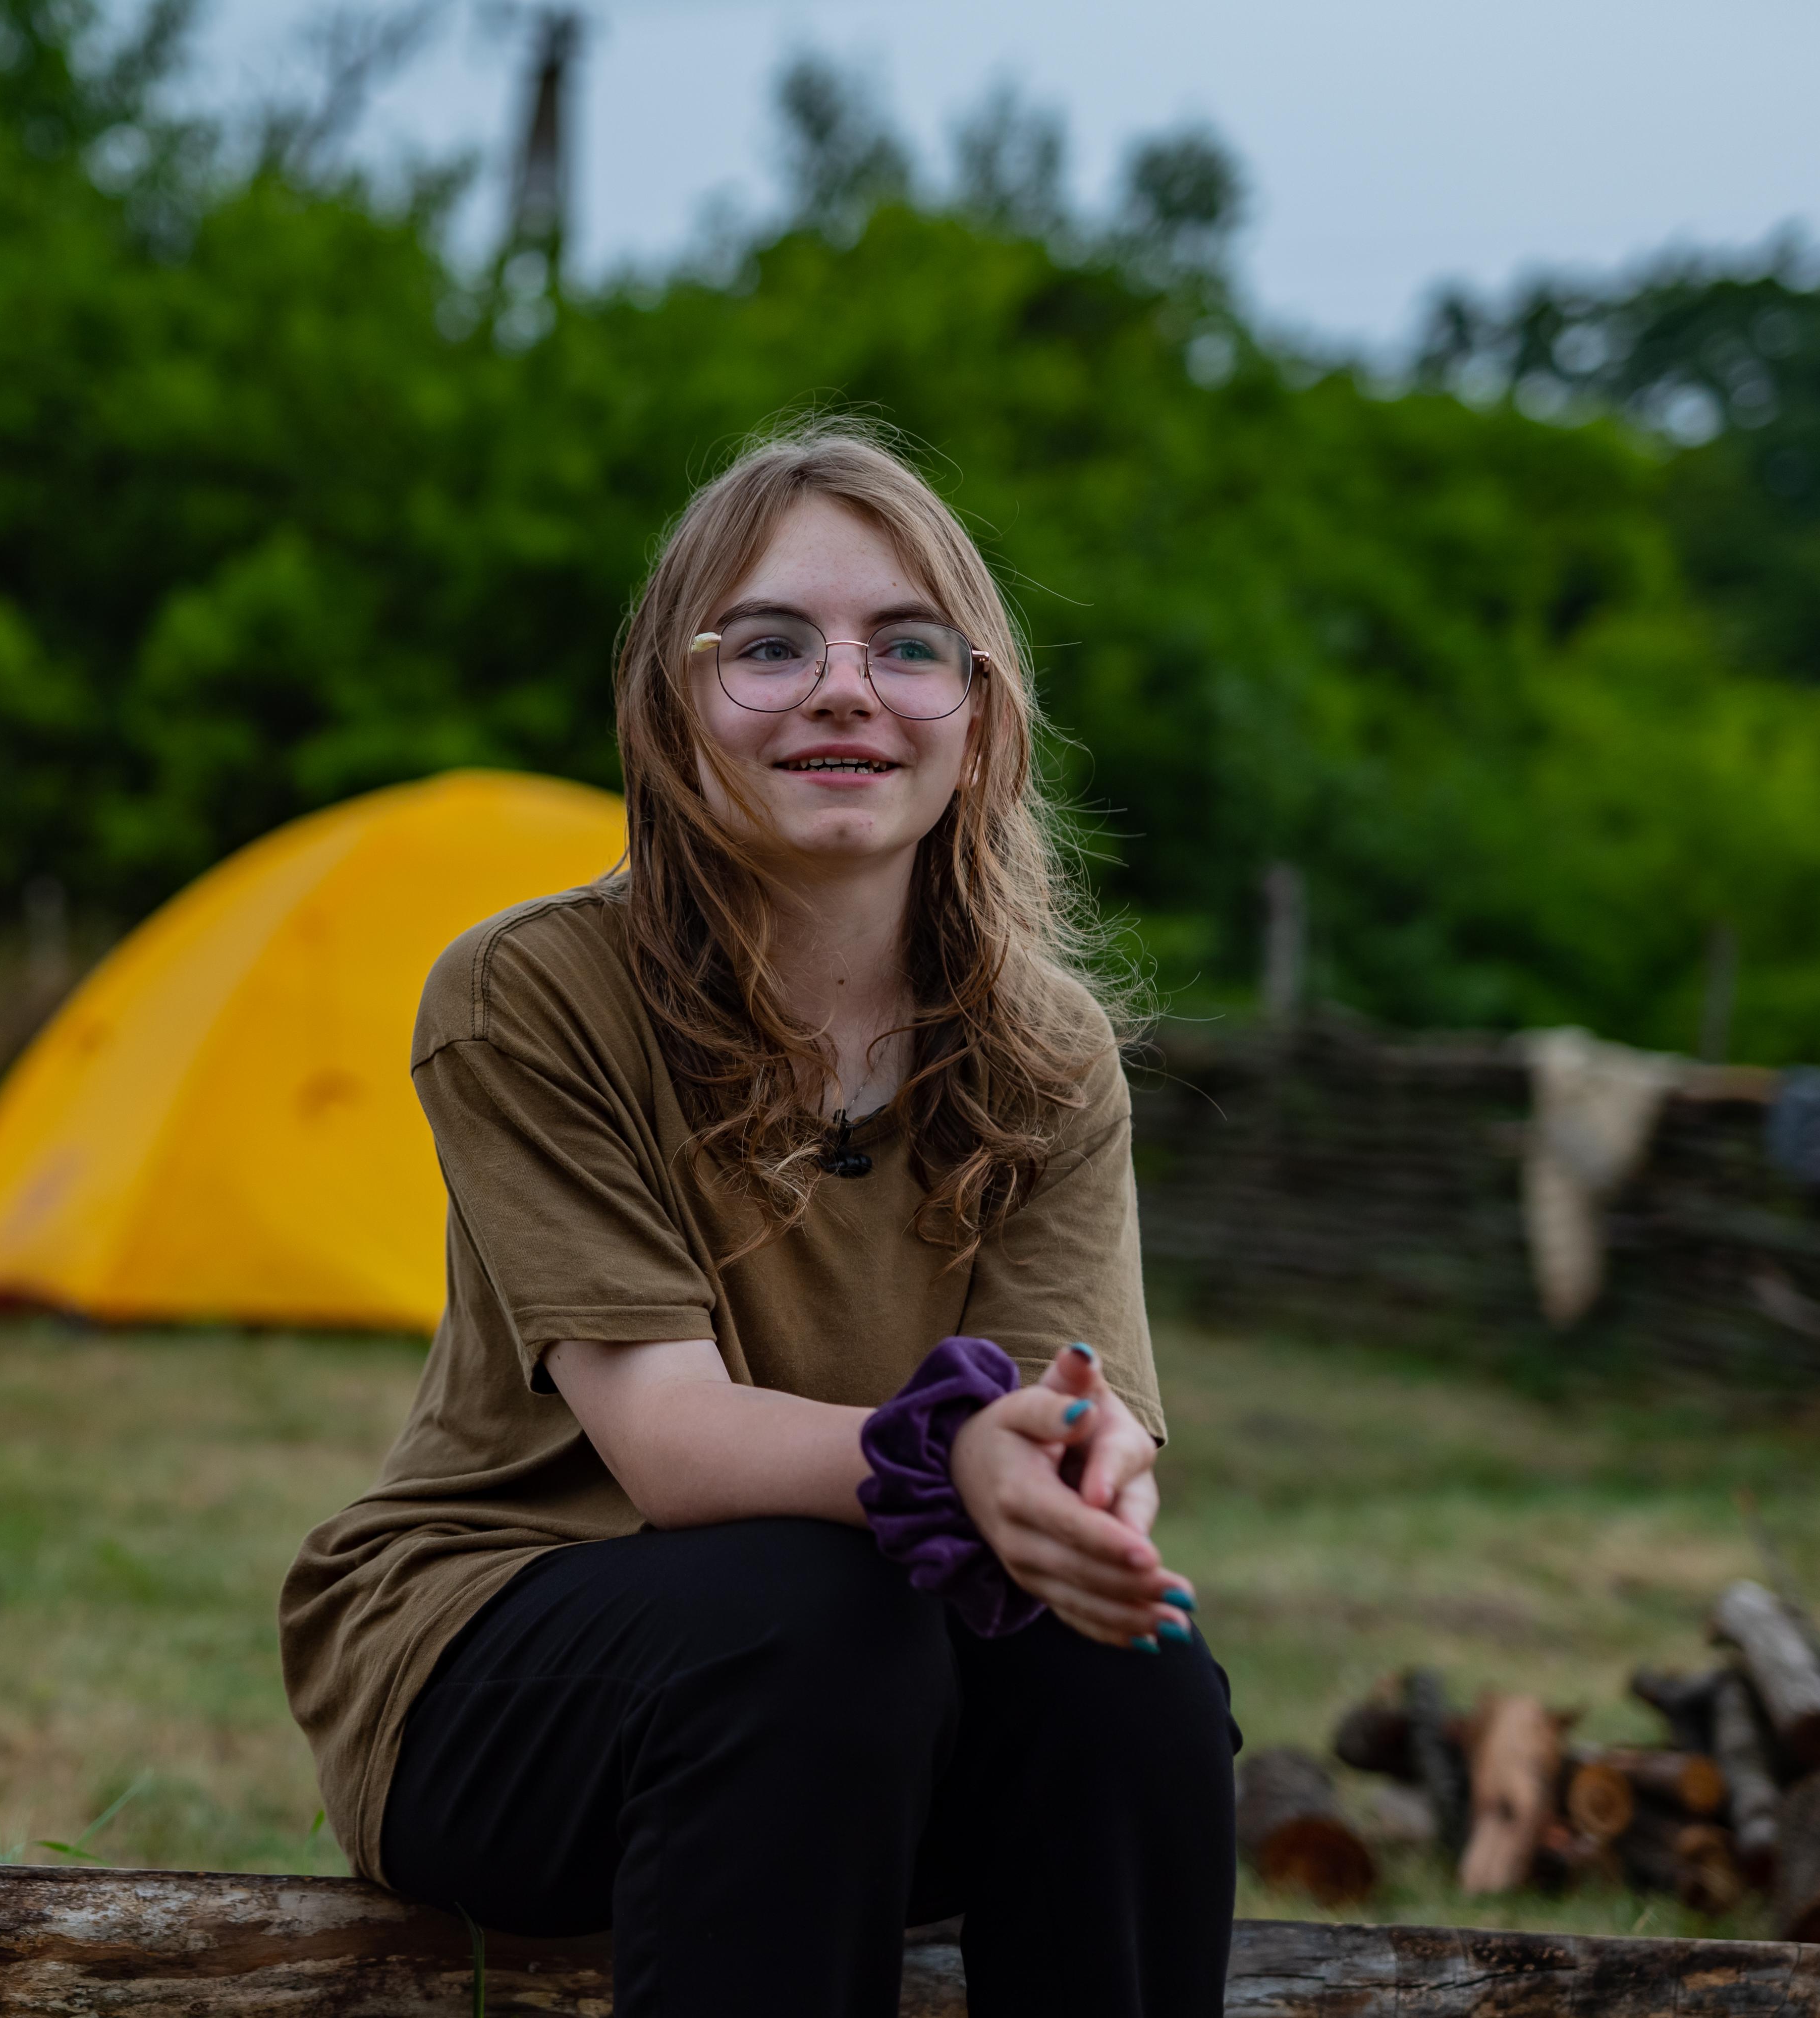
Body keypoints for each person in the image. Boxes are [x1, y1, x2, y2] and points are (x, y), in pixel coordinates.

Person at [279, 422, 1239, 2017]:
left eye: (908, 647)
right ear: (671, 711)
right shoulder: (530, 995)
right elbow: (669, 1441)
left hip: (883, 1705)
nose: (845, 688)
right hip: (504, 1670)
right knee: (813, 1617)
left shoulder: (1047, 1050)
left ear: (980, 725)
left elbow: (1076, 1401)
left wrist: (1086, 1464)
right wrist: (956, 1458)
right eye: (770, 645)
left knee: (1130, 1671)